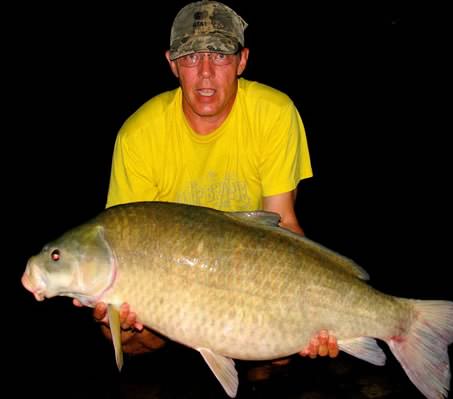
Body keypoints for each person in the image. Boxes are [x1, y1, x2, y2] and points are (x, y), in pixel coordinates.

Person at [75, 0, 338, 390]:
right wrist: (113, 304)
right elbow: (123, 241)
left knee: (286, 345)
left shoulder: (274, 113)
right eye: (191, 56)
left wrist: (317, 310)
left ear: (242, 60)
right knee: (123, 333)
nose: (205, 73)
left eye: (219, 55)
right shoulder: (139, 135)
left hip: (250, 275)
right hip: (177, 285)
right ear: (171, 63)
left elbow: (284, 222)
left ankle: (262, 373)